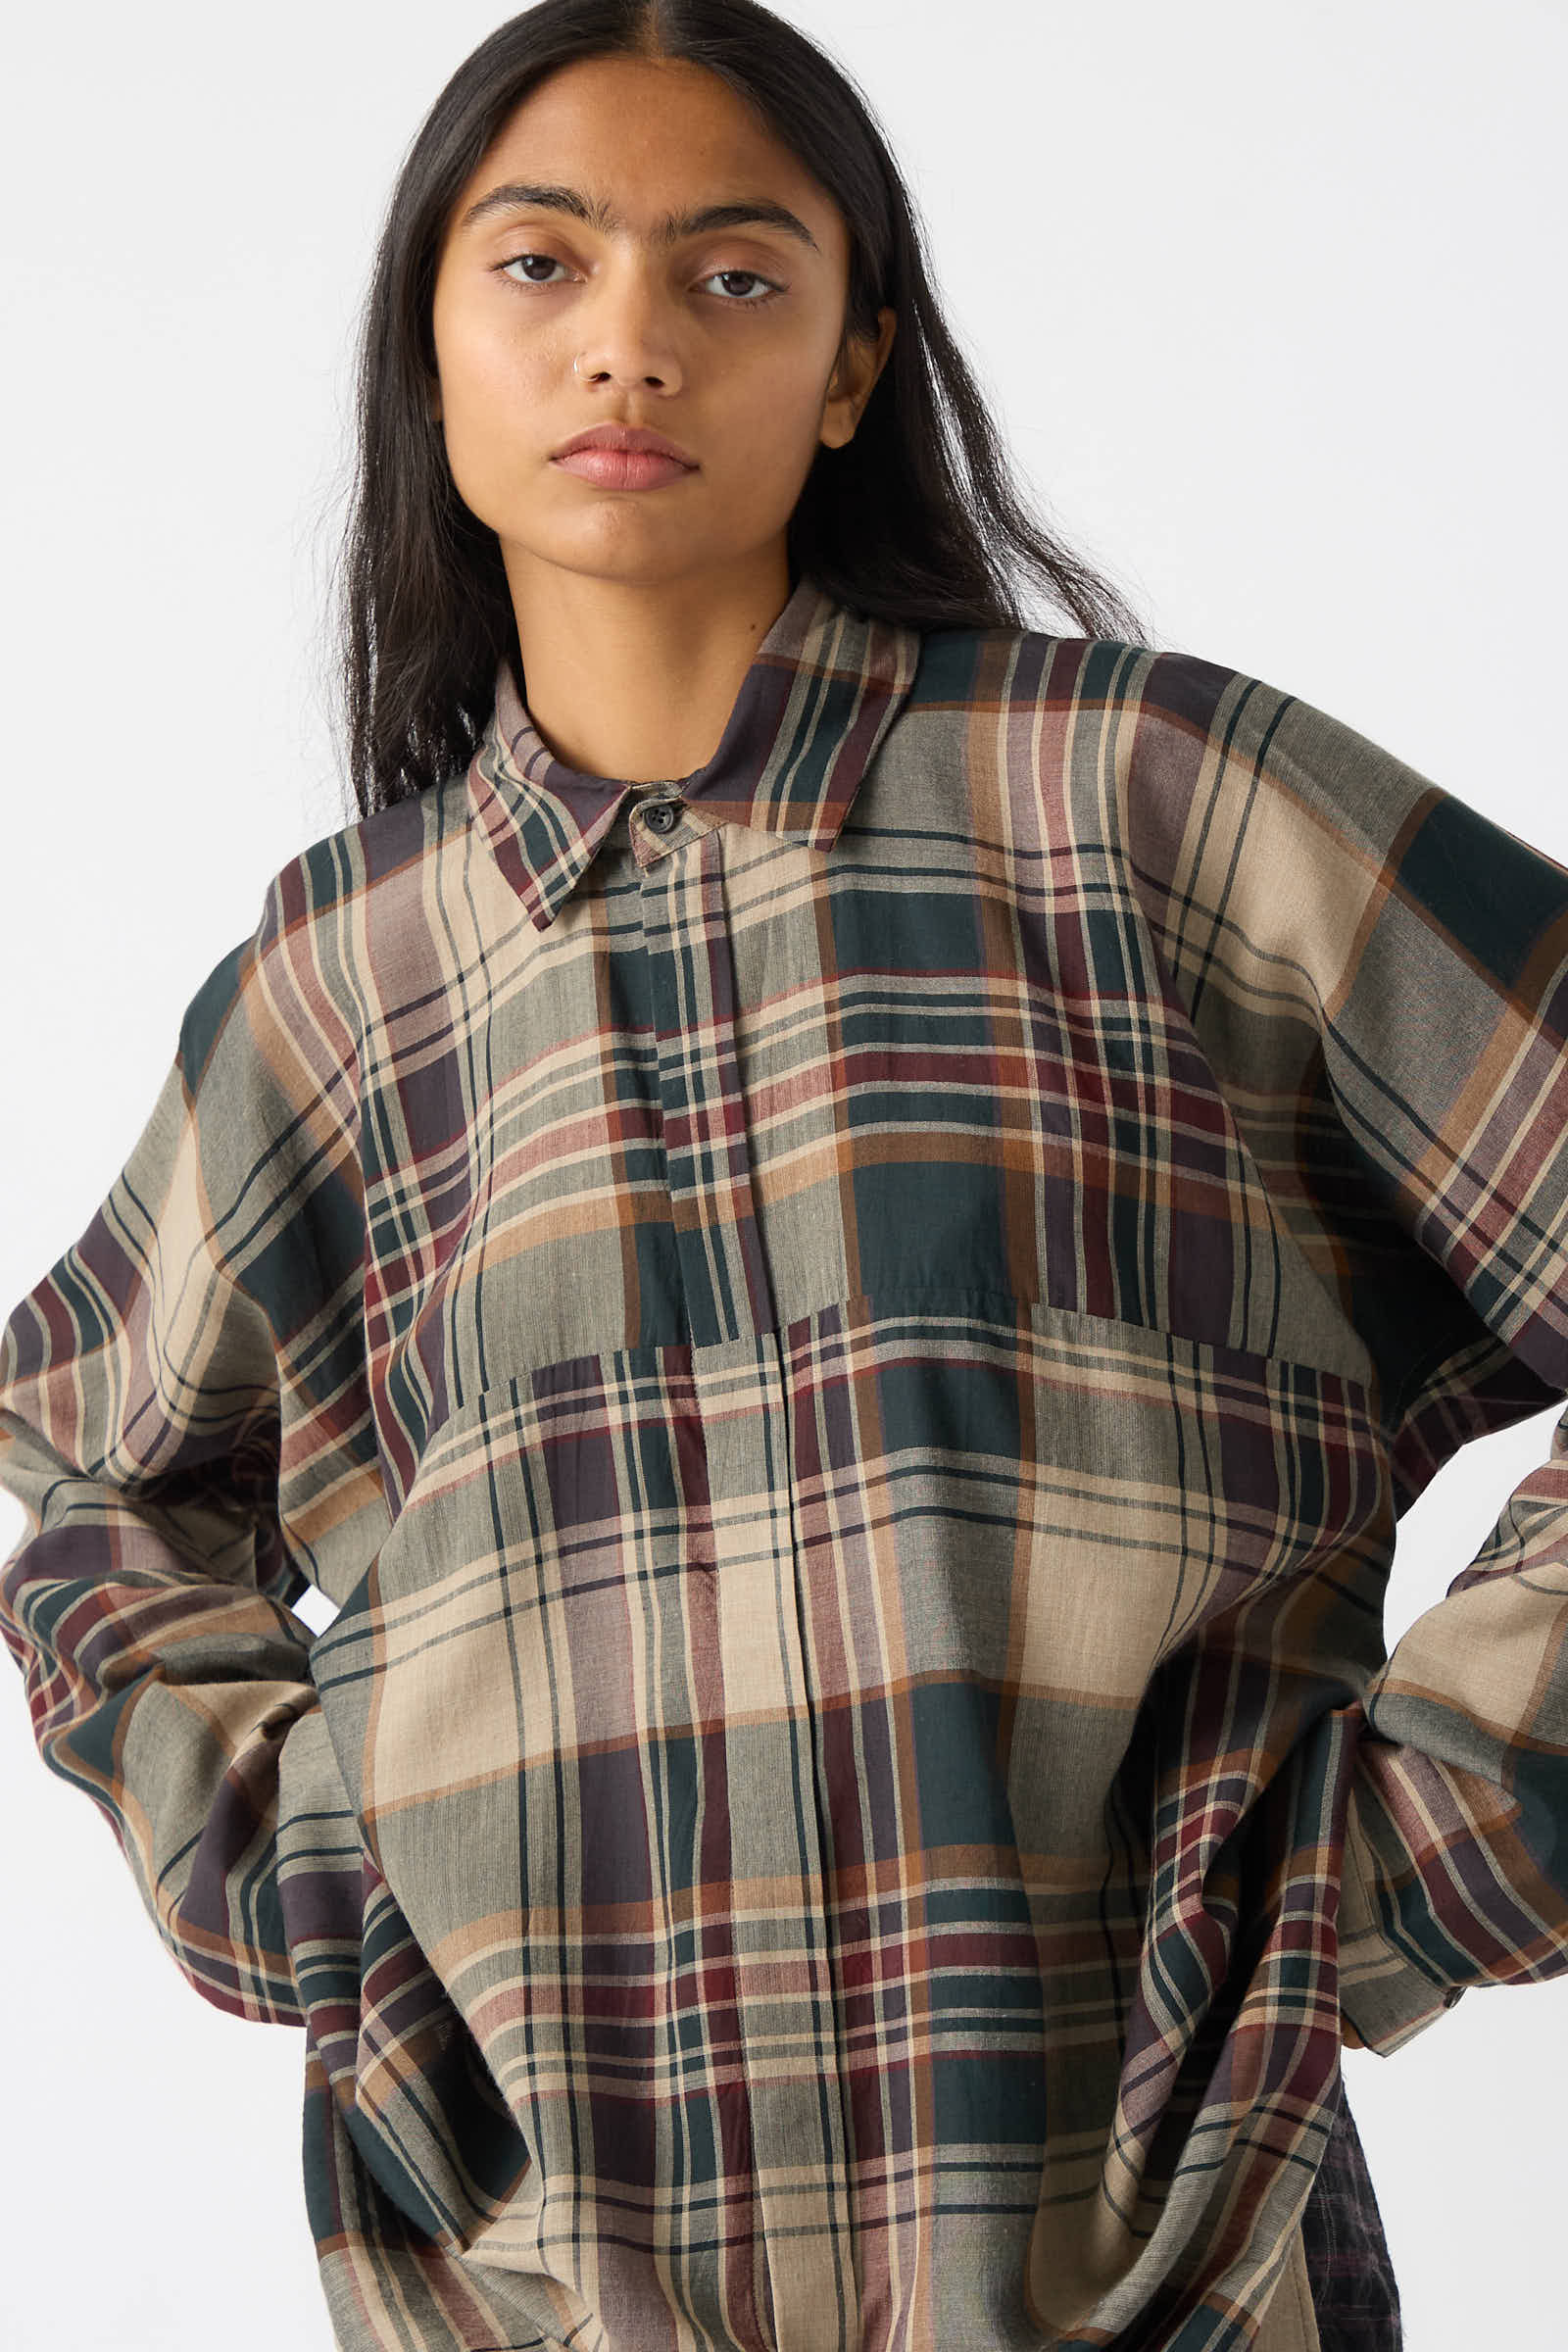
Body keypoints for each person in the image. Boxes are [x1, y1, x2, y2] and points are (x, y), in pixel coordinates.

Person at [1, 4, 1563, 2349]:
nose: (625, 337)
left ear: (850, 368)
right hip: (527, 2292)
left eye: (730, 274)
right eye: (537, 266)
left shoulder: (1145, 807)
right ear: (427, 343)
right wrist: (310, 1879)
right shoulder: (339, 990)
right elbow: (89, 1483)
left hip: (1163, 2272)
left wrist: (1408, 1859)